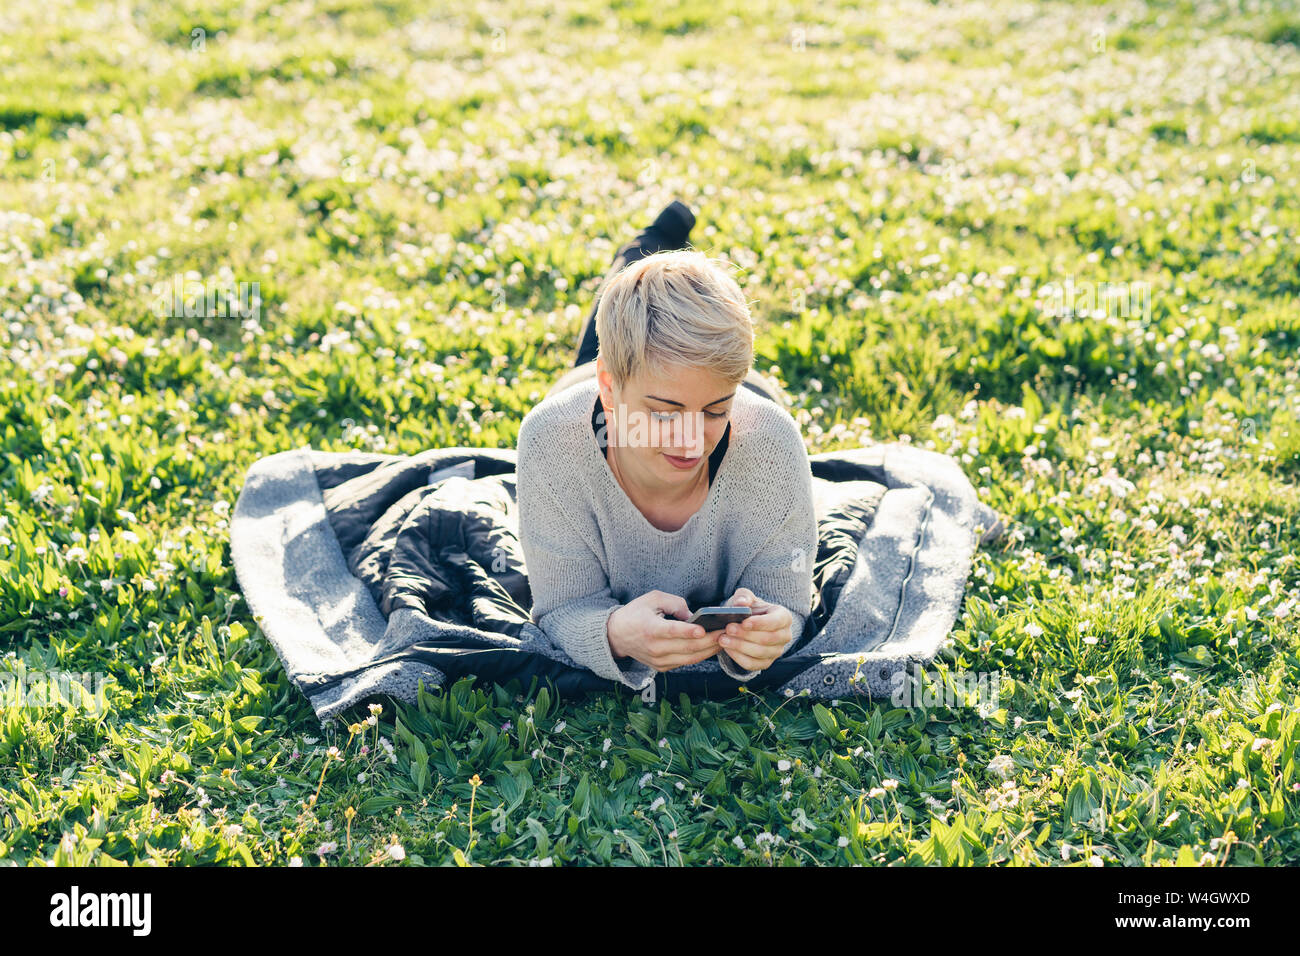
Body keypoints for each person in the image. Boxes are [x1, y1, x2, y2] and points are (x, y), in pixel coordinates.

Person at [515, 199, 818, 695]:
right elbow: (560, 607)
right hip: (593, 389)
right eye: (664, 413)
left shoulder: (771, 443)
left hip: (715, 387)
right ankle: (648, 244)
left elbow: (790, 604)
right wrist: (613, 634)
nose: (691, 439)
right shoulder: (553, 441)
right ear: (609, 391)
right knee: (613, 312)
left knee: (660, 342)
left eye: (715, 411)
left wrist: (776, 630)